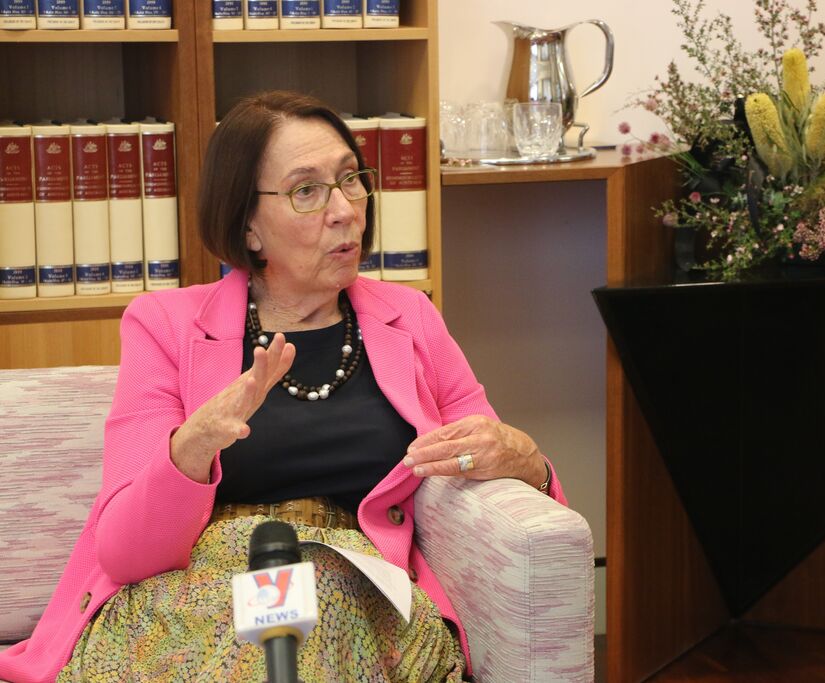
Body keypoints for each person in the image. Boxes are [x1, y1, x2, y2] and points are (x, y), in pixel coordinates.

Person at [0, 90, 566, 683]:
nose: (344, 210)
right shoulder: (164, 326)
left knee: (317, 603)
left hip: (358, 598)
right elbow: (125, 552)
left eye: (351, 179)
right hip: (195, 601)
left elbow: (501, 464)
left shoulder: (411, 319)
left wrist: (530, 464)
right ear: (249, 226)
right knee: (276, 630)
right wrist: (192, 446)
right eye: (307, 191)